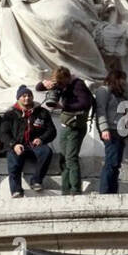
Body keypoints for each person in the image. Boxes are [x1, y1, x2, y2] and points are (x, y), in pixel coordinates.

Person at [38, 66, 94, 195]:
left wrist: (64, 106)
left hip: (75, 126)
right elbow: (38, 89)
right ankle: (65, 189)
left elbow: (85, 103)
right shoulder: (62, 84)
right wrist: (44, 83)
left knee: (71, 158)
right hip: (65, 125)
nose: (60, 86)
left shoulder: (77, 85)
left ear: (67, 78)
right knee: (63, 158)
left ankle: (75, 189)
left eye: (61, 83)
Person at [1, 85, 56, 198]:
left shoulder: (42, 112)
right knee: (14, 162)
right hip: (16, 145)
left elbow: (51, 130)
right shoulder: (10, 114)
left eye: (29, 95)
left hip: (34, 146)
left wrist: (41, 139)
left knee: (46, 151)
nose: (27, 98)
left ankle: (36, 180)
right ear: (18, 98)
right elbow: (4, 134)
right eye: (23, 96)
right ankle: (16, 190)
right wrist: (14, 144)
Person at [94, 69, 128, 194]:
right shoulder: (103, 90)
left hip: (120, 131)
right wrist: (104, 129)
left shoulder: (121, 95)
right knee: (111, 161)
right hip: (110, 130)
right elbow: (100, 110)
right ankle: (105, 192)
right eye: (123, 79)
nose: (125, 82)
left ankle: (113, 191)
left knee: (116, 163)